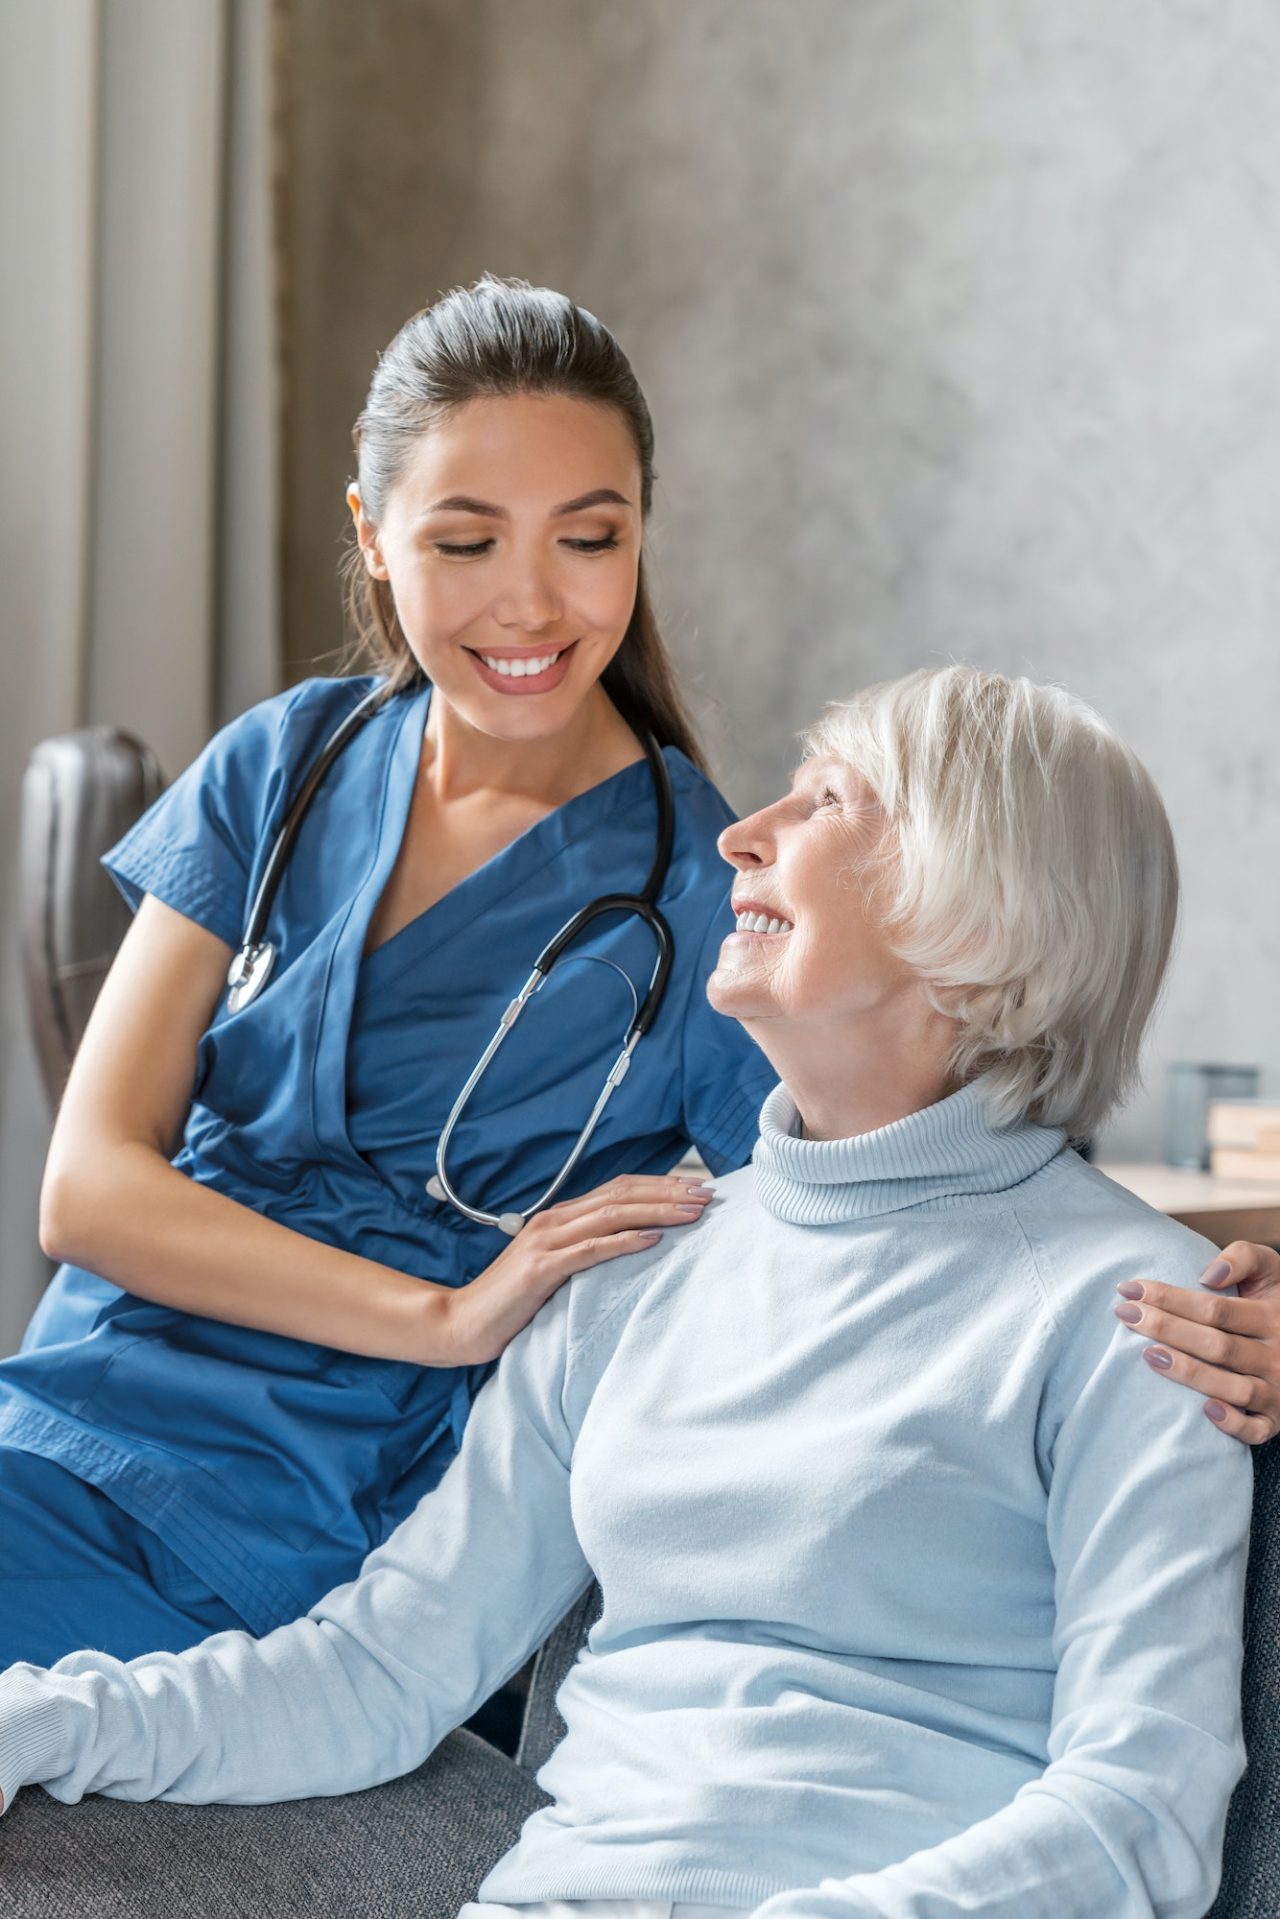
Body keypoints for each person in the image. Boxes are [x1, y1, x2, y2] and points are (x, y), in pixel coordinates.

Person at [0, 667, 1251, 1919]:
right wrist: (41, 1716)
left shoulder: (1142, 1315)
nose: (740, 832)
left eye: (827, 802)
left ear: (986, 912)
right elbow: (374, 1674)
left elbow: (1138, 1810)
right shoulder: (636, 1262)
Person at [0, 277, 776, 1666]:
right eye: (467, 541)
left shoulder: (710, 890)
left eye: (589, 537)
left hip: (323, 1493)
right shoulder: (286, 761)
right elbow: (88, 1188)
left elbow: (900, 1190)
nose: (532, 601)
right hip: (77, 1400)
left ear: (640, 535)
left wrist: (1192, 1301)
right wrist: (447, 1309)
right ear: (374, 538)